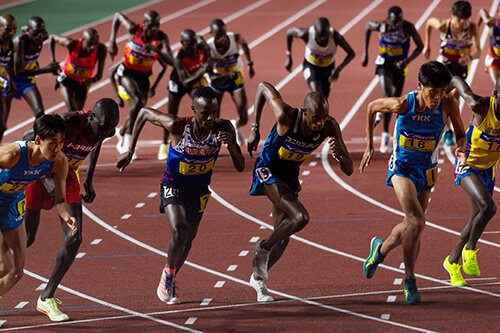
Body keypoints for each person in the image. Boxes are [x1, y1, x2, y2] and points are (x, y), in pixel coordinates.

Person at [117, 87, 244, 305]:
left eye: (214, 112)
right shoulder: (177, 125)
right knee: (180, 230)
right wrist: (130, 149)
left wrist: (231, 145)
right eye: (205, 113)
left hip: (199, 189)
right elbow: (144, 112)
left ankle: (172, 273)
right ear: (193, 109)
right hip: (173, 184)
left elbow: (240, 166)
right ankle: (167, 277)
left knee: (188, 240)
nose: (211, 118)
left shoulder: (223, 127)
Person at [359, 61, 466, 304]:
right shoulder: (403, 104)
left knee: (411, 225)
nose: (437, 97)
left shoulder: (448, 104)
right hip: (402, 169)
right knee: (418, 222)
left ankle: (380, 250)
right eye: (432, 91)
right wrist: (369, 145)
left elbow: (460, 135)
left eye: (441, 91)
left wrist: (461, 150)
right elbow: (372, 107)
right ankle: (410, 280)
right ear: (419, 86)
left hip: (427, 170)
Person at [247, 81, 353, 302]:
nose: (319, 123)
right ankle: (262, 247)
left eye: (324, 117)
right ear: (305, 112)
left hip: (289, 177)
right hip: (268, 168)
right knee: (301, 217)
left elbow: (349, 169)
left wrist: (339, 155)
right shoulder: (287, 116)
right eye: (316, 118)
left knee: (283, 237)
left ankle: (258, 280)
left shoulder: (329, 126)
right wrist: (254, 129)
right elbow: (262, 87)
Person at [23, 98, 119, 321]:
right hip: (41, 174)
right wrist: (43, 175)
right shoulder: (68, 122)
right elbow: (28, 138)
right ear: (91, 117)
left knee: (75, 238)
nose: (106, 131)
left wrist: (89, 178)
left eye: (110, 128)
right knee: (27, 237)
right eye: (102, 126)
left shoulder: (105, 130)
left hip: (68, 175)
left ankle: (46, 298)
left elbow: (97, 142)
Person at [0, 114, 77, 312]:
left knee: (17, 271)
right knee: (4, 265)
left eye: (61, 142)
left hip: (12, 204)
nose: (58, 148)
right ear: (37, 140)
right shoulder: (11, 155)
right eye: (52, 143)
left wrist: (66, 215)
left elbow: (60, 200)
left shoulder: (58, 161)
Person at [442, 76, 500, 286]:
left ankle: (452, 261)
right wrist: (447, 90)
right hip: (468, 164)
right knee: (489, 207)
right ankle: (470, 250)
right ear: (495, 94)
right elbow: (458, 80)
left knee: (476, 218)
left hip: (487, 170)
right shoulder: (481, 106)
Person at [107, 10, 173, 157]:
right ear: (144, 23)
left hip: (144, 75)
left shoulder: (161, 38)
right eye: (151, 24)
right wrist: (112, 41)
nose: (154, 28)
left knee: (139, 107)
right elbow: (117, 15)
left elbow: (171, 61)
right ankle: (128, 139)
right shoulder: (133, 29)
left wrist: (157, 50)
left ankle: (122, 131)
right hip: (127, 72)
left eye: (157, 25)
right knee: (138, 101)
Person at [362, 6, 423, 153]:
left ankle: (381, 114)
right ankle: (385, 136)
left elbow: (420, 46)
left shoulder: (408, 27)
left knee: (395, 100)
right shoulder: (380, 26)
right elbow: (367, 27)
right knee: (388, 96)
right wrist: (365, 53)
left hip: (400, 65)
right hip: (384, 63)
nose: (397, 25)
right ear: (388, 19)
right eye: (394, 22)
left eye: (399, 21)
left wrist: (407, 61)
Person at [423, 1, 481, 146]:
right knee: (444, 95)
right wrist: (427, 44)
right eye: (458, 19)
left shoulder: (472, 28)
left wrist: (470, 57)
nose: (461, 23)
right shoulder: (444, 25)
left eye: (464, 19)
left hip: (461, 66)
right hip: (445, 63)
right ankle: (448, 129)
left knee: (455, 97)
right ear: (452, 16)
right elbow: (429, 22)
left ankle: (448, 128)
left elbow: (478, 51)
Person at [158, 29, 212, 160]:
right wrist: (203, 70)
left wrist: (206, 65)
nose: (192, 46)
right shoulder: (179, 56)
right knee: (171, 116)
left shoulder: (202, 46)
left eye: (194, 42)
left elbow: (209, 60)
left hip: (194, 81)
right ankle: (164, 144)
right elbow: (186, 83)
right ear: (182, 43)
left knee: (202, 105)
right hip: (179, 83)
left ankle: (202, 140)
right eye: (188, 44)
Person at [206, 18, 255, 146]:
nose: (222, 38)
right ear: (211, 33)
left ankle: (235, 124)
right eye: (218, 36)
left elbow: (244, 44)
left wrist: (249, 63)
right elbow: (210, 75)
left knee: (244, 117)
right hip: (218, 80)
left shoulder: (235, 38)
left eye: (224, 34)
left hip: (235, 79)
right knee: (215, 116)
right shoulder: (208, 47)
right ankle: (214, 142)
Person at [285, 17, 355, 98]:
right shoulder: (306, 34)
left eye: (325, 36)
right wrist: (289, 56)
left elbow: (351, 53)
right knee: (317, 94)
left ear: (329, 30)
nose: (323, 39)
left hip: (328, 69)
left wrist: (338, 70)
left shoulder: (336, 37)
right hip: (311, 66)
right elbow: (289, 33)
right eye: (320, 36)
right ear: (315, 30)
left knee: (324, 99)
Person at [5, 16, 60, 119]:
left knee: (40, 113)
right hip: (9, 80)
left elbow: (50, 38)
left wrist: (53, 60)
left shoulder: (43, 36)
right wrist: (45, 69)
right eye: (35, 32)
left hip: (26, 80)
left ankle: (36, 135)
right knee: (2, 125)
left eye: (42, 31)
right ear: (28, 31)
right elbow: (19, 72)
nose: (39, 36)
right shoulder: (21, 41)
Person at [49, 28, 107, 111]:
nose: (93, 47)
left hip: (83, 83)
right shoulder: (72, 44)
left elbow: (99, 75)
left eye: (95, 43)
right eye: (90, 43)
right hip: (67, 78)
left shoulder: (101, 50)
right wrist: (52, 61)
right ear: (83, 40)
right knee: (72, 110)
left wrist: (91, 80)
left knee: (78, 113)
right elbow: (52, 38)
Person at [0, 14, 17, 143]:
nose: (11, 32)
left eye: (14, 29)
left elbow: (3, 67)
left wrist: (9, 80)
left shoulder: (9, 44)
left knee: (2, 125)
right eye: (7, 29)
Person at [478, 6, 500, 85]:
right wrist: (476, 28)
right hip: (493, 58)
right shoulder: (491, 23)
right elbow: (481, 11)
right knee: (498, 86)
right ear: (498, 12)